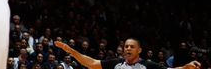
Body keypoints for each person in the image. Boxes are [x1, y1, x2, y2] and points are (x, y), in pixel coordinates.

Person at [54, 39, 201, 69]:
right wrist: (71, 51)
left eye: (132, 46)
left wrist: (186, 67)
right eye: (126, 46)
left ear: (139, 50)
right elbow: (91, 63)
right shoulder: (116, 63)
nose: (128, 49)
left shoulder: (148, 66)